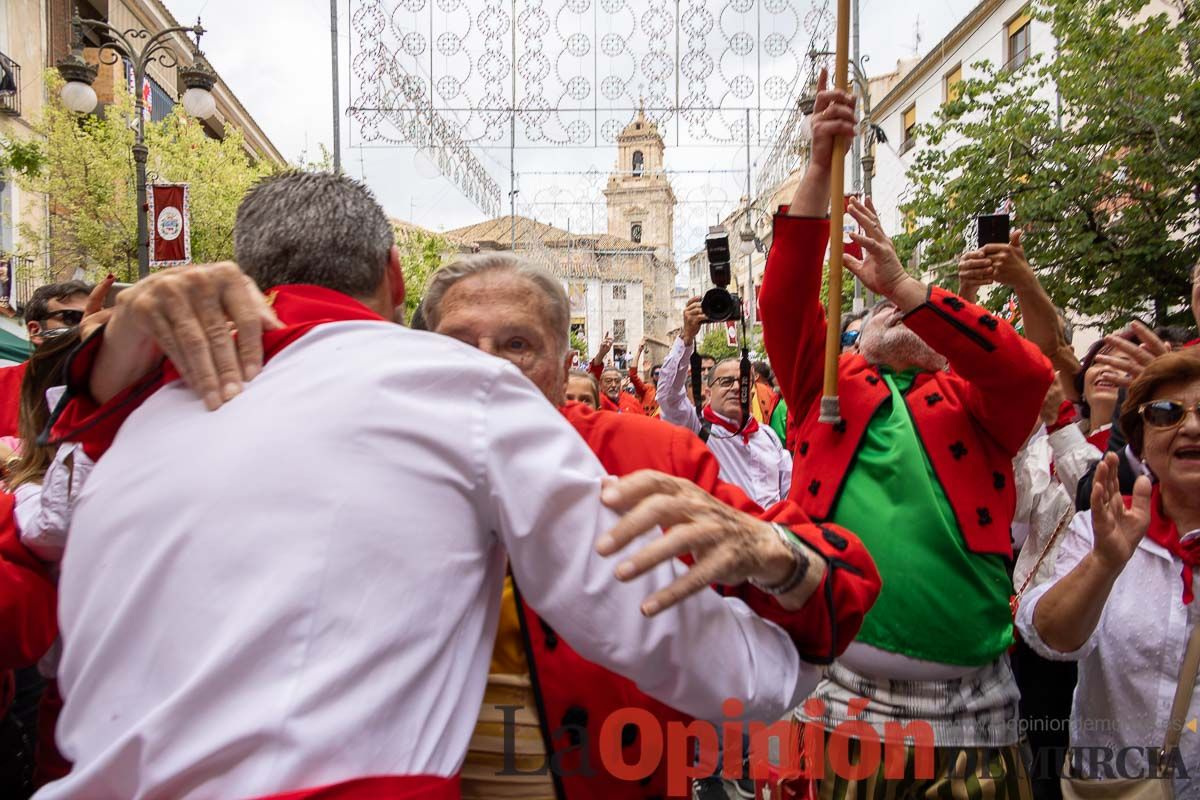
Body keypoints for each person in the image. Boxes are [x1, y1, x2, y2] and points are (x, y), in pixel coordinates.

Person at [36, 173, 820, 800]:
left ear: (564, 354)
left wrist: (790, 569)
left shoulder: (647, 450)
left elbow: (779, 558)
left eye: (517, 344)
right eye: (461, 343)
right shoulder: (398, 401)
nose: (486, 364)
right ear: (397, 291)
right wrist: (793, 670)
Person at [762, 70, 1052, 797]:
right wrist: (821, 164)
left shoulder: (978, 405)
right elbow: (788, 300)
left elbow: (1024, 372)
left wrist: (909, 290)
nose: (895, 317)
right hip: (840, 708)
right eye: (880, 313)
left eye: (915, 311)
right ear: (856, 337)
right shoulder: (829, 389)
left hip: (973, 722)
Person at [1017, 350, 1200, 797]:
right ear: (1139, 440)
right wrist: (1104, 564)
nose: (1192, 427)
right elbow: (1051, 636)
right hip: (1114, 783)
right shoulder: (1103, 530)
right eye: (1166, 413)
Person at [657, 297, 793, 508]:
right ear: (709, 392)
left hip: (770, 534)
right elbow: (668, 395)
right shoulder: (697, 428)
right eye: (727, 381)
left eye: (743, 381)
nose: (737, 387)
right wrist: (686, 337)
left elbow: (788, 490)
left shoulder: (768, 436)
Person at [0, 282, 92, 442]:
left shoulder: (113, 391)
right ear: (35, 331)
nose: (88, 328)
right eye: (73, 318)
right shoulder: (3, 384)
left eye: (96, 317)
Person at [588, 334, 645, 415]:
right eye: (608, 381)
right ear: (600, 384)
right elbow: (592, 377)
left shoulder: (633, 402)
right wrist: (601, 354)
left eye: (617, 381)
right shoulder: (596, 400)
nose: (613, 385)